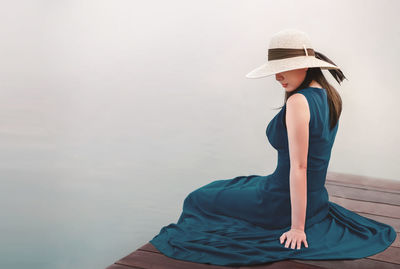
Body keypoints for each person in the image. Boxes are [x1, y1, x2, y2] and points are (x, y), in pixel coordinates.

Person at [149, 29, 397, 266]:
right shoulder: (327, 94)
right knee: (222, 187)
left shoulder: (299, 102)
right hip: (315, 200)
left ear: (305, 65)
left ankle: (284, 216)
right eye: (276, 71)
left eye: (283, 69)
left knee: (199, 197)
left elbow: (300, 166)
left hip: (280, 204)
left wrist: (297, 228)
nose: (277, 76)